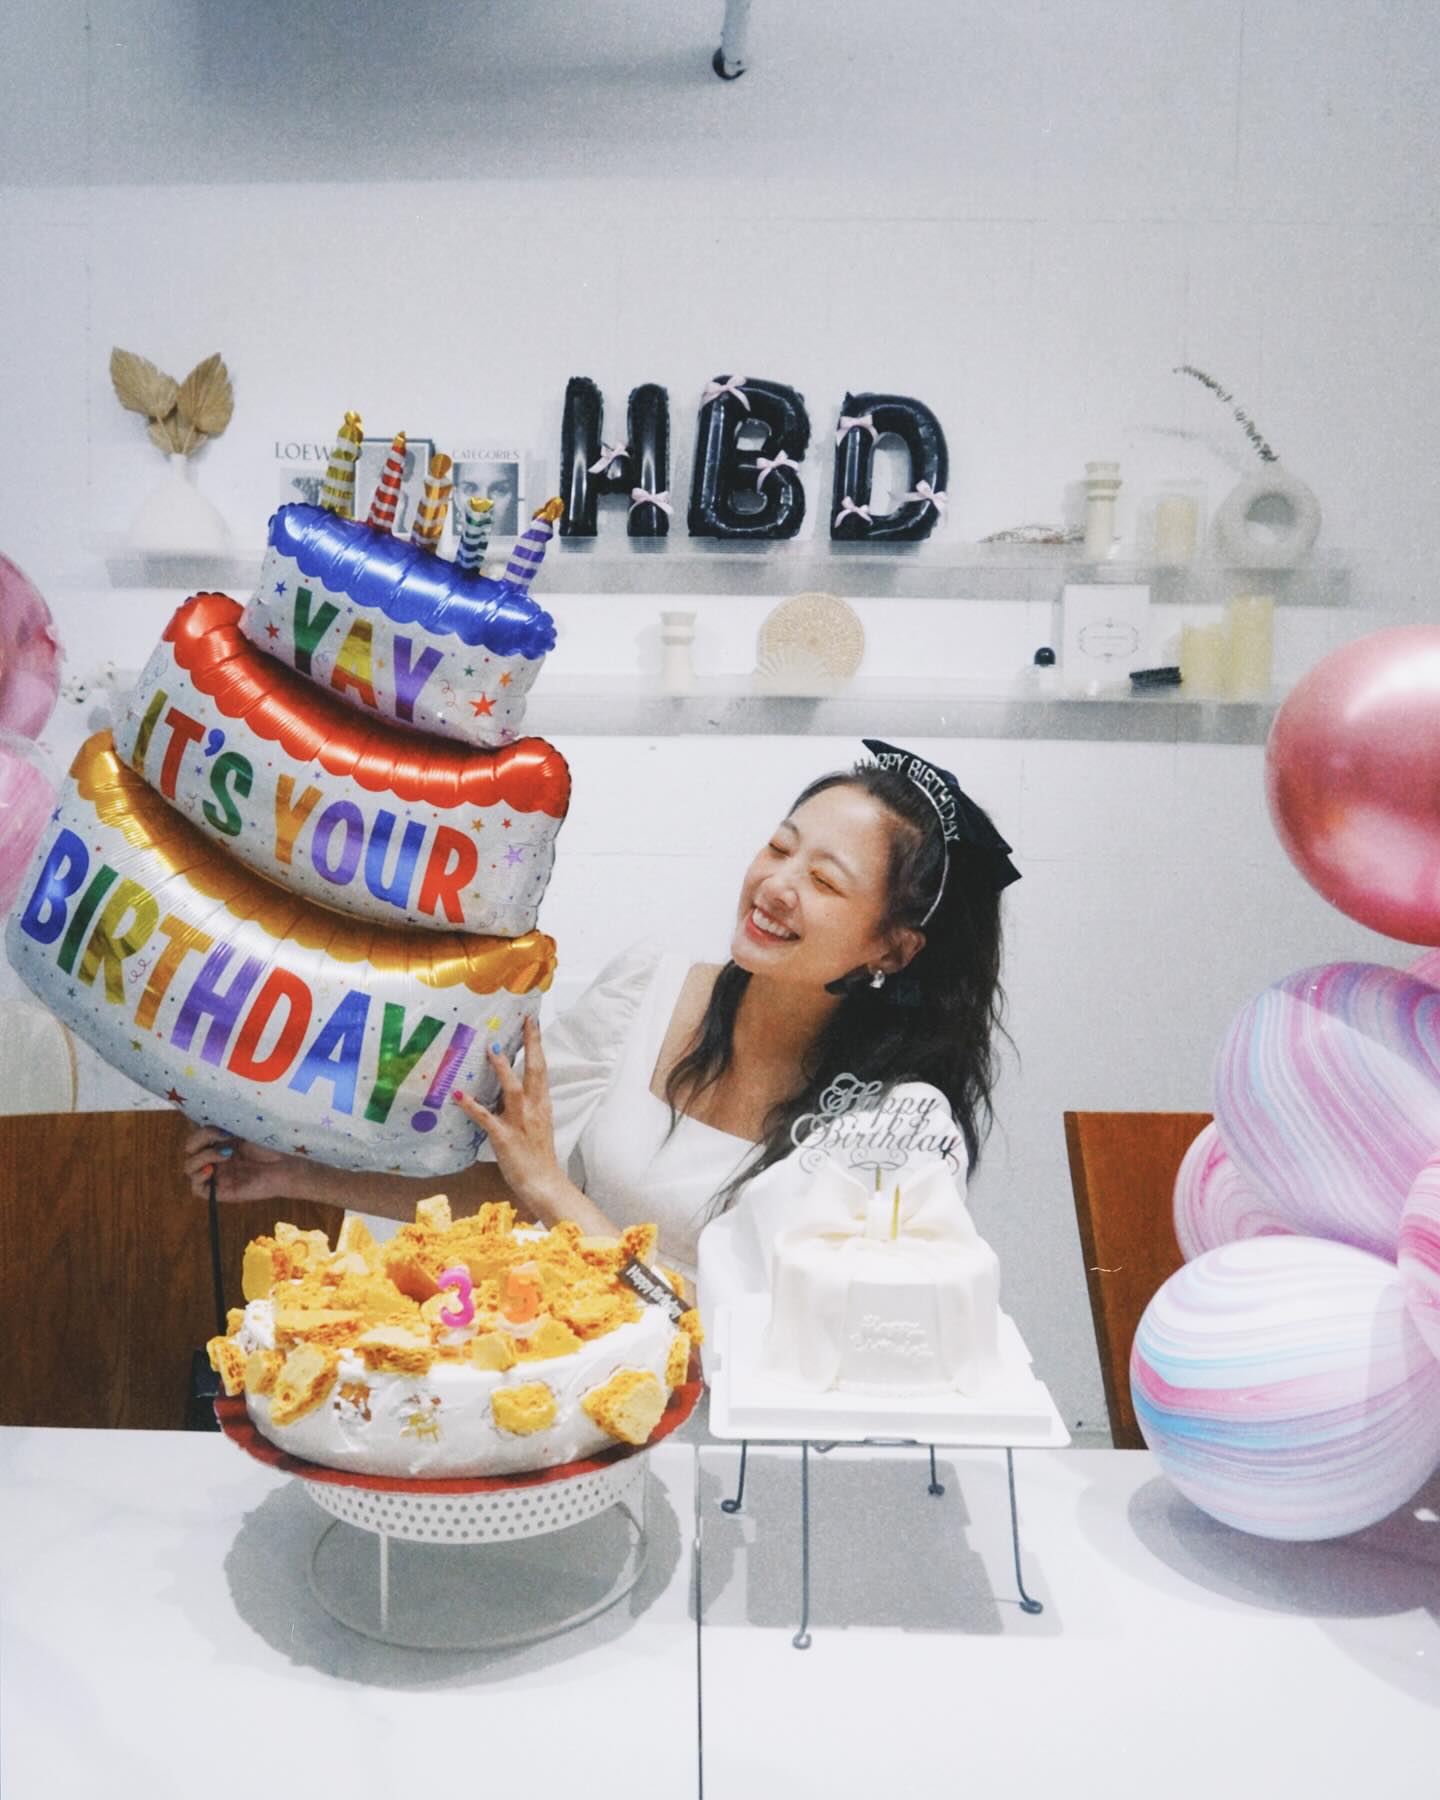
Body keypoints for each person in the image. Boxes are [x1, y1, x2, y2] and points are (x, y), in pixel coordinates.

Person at [182, 741, 1019, 1288]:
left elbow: (745, 1338)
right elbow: (525, 1194)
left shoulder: (887, 1127)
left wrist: (551, 1189)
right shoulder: (647, 990)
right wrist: (292, 1173)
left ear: (892, 948)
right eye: (779, 845)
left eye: (826, 881)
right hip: (574, 1383)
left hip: (726, 1438)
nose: (776, 884)